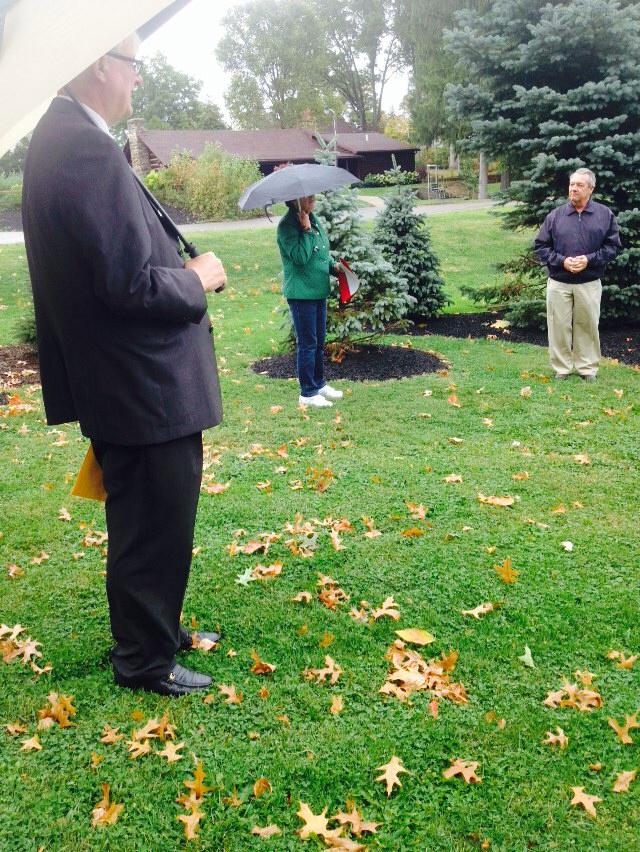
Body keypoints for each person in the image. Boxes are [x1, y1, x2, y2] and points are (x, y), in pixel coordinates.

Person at [22, 34, 227, 697]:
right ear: (101, 64)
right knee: (150, 523)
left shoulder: (71, 138)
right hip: (140, 384)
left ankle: (156, 632)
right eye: (134, 64)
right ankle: (143, 660)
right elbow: (130, 283)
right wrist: (198, 279)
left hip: (130, 381)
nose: (139, 78)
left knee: (154, 516)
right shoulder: (80, 148)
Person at [534, 167, 621, 381]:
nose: (573, 189)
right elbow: (540, 245)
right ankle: (562, 368)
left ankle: (586, 368)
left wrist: (588, 260)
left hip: (589, 282)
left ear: (590, 189)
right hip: (559, 282)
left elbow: (613, 247)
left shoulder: (604, 215)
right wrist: (562, 261)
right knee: (558, 326)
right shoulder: (556, 216)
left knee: (588, 325)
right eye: (572, 184)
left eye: (579, 185)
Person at [277, 195, 344, 408]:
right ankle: (307, 392)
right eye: (308, 197)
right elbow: (300, 257)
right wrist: (305, 231)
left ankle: (319, 384)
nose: (313, 199)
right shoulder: (287, 226)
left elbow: (322, 250)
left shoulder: (312, 218)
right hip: (301, 294)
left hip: (318, 290)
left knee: (319, 342)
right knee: (307, 343)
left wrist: (335, 266)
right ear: (295, 200)